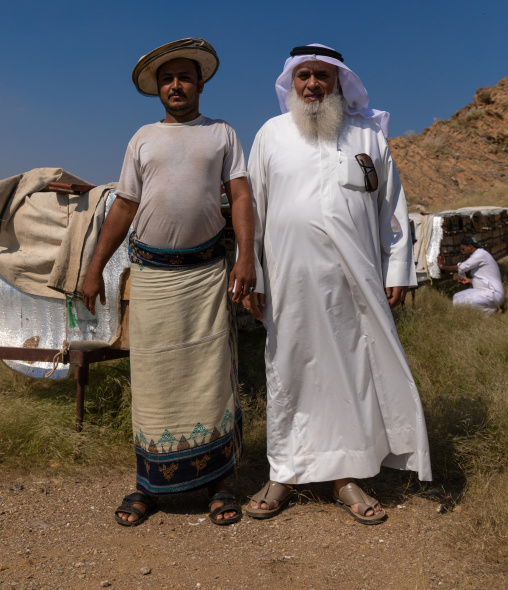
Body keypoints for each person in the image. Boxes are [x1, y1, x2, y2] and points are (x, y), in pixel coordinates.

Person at [243, 44, 431, 524]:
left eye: (322, 77)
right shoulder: (270, 135)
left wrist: (396, 271)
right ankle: (284, 471)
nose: (312, 85)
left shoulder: (368, 135)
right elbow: (255, 214)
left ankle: (346, 477)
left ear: (339, 83)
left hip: (355, 281)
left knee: (352, 373)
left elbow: (393, 211)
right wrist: (255, 275)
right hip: (288, 279)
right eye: (303, 75)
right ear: (292, 81)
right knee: (289, 368)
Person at [82, 38, 256, 527]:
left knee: (210, 378)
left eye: (184, 77)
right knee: (154, 381)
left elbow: (240, 197)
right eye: (167, 79)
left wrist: (246, 257)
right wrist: (95, 267)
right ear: (158, 89)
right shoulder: (142, 138)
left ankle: (219, 484)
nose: (175, 85)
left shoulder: (222, 133)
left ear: (200, 84)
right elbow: (124, 206)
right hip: (153, 276)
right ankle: (149, 486)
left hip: (206, 275)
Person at [438, 236, 504, 314]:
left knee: (462, 302)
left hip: (494, 294)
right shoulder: (481, 254)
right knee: (456, 297)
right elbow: (484, 278)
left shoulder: (480, 255)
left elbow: (461, 267)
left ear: (470, 247)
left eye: (463, 249)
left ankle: (493, 312)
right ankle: (492, 309)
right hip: (489, 293)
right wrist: (470, 281)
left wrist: (442, 266)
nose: (462, 252)